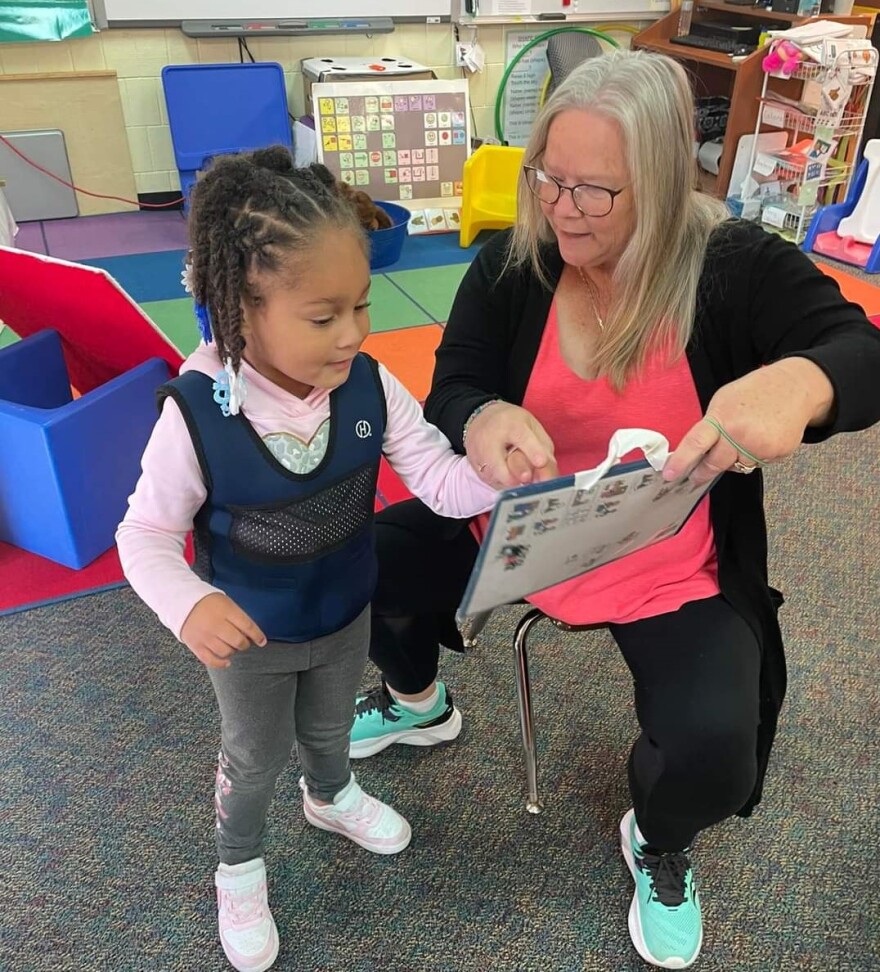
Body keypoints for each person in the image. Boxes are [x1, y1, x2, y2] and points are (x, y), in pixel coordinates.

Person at [350, 50, 880, 969]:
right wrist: (481, 416)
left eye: (596, 192)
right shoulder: (518, 261)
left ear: (667, 187)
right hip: (512, 528)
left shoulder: (733, 267)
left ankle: (658, 840)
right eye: (547, 178)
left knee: (719, 754)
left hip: (668, 555)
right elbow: (456, 380)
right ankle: (416, 700)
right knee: (344, 565)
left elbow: (859, 352)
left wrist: (802, 383)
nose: (562, 210)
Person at [116, 148, 497, 972]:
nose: (355, 333)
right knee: (252, 759)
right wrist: (187, 602)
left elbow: (435, 478)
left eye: (361, 306)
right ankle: (239, 864)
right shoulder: (197, 413)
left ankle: (330, 798)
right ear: (241, 311)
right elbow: (141, 535)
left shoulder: (369, 382)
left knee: (330, 729)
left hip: (345, 607)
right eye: (324, 317)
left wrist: (494, 475)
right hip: (253, 635)